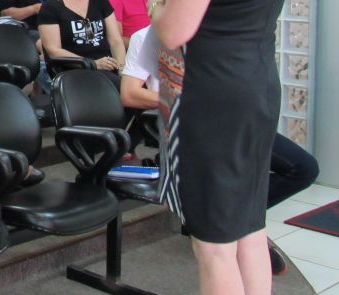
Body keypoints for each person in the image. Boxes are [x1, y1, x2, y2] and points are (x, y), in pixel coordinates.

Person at [141, 0, 307, 295]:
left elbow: (175, 29)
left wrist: (157, 2)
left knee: (213, 244)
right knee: (249, 229)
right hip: (257, 89)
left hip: (212, 98)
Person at [120, 24, 319, 276]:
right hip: (192, 128)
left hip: (238, 122)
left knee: (304, 168)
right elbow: (129, 94)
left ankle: (226, 223)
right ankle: (229, 230)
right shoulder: (146, 36)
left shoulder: (219, 31)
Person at [37, 0, 125, 90]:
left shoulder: (100, 0)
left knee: (134, 87)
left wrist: (122, 71)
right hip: (74, 71)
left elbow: (115, 41)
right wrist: (93, 63)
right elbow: (53, 50)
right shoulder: (50, 7)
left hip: (107, 68)